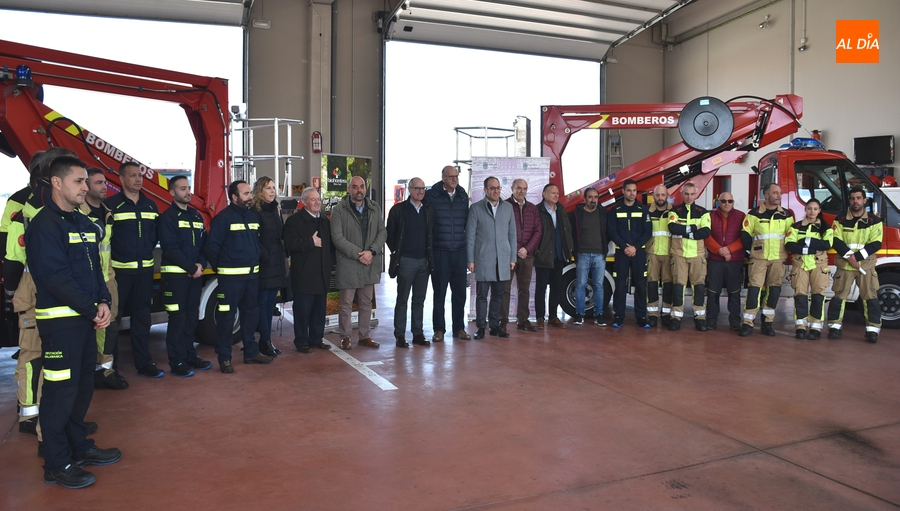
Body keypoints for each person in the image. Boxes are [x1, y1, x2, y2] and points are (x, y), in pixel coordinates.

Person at [26, 156, 121, 489]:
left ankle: (78, 447)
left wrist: (104, 301)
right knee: (60, 394)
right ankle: (57, 463)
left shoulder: (82, 223)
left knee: (81, 389)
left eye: (85, 181)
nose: (85, 187)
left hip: (84, 320)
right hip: (60, 325)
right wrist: (92, 309)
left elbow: (96, 271)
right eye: (78, 181)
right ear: (56, 182)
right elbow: (54, 277)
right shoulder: (45, 226)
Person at [205, 180, 274, 373]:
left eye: (250, 193)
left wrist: (263, 255)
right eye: (245, 194)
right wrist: (223, 268)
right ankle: (224, 358)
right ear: (234, 197)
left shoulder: (252, 217)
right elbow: (211, 248)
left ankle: (251, 352)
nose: (250, 197)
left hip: (251, 278)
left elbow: (256, 243)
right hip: (231, 281)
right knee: (226, 319)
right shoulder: (223, 219)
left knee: (251, 315)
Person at [105, 162, 162, 377]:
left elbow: (155, 234)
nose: (138, 179)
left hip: (144, 272)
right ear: (121, 179)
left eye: (140, 176)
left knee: (142, 319)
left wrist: (146, 248)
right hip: (120, 274)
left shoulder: (151, 205)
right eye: (133, 175)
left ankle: (144, 363)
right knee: (113, 320)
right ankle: (110, 368)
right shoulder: (111, 206)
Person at [157, 175, 213, 376]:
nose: (188, 192)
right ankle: (177, 361)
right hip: (176, 279)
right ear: (172, 193)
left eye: (188, 188)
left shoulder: (196, 216)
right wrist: (191, 268)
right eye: (182, 188)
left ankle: (190, 356)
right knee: (178, 320)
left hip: (194, 277)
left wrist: (201, 265)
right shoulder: (167, 218)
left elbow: (203, 245)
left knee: (191, 318)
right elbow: (170, 248)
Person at [82, 168, 129, 389]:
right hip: (85, 280)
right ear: (86, 186)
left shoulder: (107, 212)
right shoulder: (78, 213)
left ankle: (106, 371)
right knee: (87, 328)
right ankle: (87, 372)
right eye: (98, 183)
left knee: (109, 326)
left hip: (106, 279)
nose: (104, 187)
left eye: (104, 182)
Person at [330, 176, 387, 350]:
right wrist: (360, 254)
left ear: (365, 188)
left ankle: (364, 336)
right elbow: (337, 238)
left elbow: (382, 232)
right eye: (355, 187)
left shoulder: (374, 208)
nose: (359, 190)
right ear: (349, 189)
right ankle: (345, 337)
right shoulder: (339, 210)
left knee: (366, 302)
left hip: (369, 262)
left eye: (361, 186)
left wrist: (372, 251)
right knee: (346, 303)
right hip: (349, 263)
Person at [827, 187, 883, 343]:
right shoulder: (840, 220)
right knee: (839, 297)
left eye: (858, 198)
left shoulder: (874, 221)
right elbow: (835, 240)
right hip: (845, 266)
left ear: (864, 200)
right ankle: (834, 328)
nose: (855, 201)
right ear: (849, 201)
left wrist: (856, 257)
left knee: (870, 297)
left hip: (866, 265)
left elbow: (876, 243)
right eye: (852, 198)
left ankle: (872, 331)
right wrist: (849, 256)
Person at [423, 166, 471, 341]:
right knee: (440, 294)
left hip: (459, 252)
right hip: (440, 252)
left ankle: (459, 328)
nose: (454, 179)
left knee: (460, 294)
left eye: (456, 176)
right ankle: (439, 329)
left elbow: (466, 223)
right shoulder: (432, 196)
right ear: (443, 178)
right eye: (451, 177)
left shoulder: (462, 196)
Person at [739, 183, 793, 337]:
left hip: (778, 258)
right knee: (754, 290)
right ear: (766, 195)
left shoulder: (786, 215)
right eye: (775, 193)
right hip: (759, 259)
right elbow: (745, 233)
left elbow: (791, 236)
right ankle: (747, 323)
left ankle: (767, 323)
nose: (779, 196)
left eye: (780, 193)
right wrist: (750, 252)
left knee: (774, 291)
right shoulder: (754, 214)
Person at [283, 187, 333, 353]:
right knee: (302, 312)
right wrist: (310, 242)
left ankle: (317, 339)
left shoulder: (324, 221)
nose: (317, 202)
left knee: (319, 311)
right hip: (304, 275)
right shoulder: (294, 221)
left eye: (318, 199)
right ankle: (301, 341)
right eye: (313, 199)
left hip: (322, 274)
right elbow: (289, 244)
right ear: (304, 202)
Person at [466, 176, 517, 339]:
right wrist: (470, 260)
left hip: (503, 259)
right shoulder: (476, 208)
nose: (496, 191)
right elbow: (470, 236)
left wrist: (512, 258)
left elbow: (512, 235)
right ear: (485, 190)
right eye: (492, 188)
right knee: (482, 296)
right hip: (483, 259)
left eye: (498, 188)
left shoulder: (508, 208)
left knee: (498, 295)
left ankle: (494, 326)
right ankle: (481, 327)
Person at [386, 177, 434, 348]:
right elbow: (390, 235)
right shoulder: (399, 210)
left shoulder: (428, 210)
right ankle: (400, 334)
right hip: (406, 261)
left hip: (424, 262)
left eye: (423, 189)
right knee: (402, 299)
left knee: (419, 299)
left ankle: (417, 333)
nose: (421, 192)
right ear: (410, 189)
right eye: (417, 188)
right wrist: (399, 253)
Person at [785, 198, 833, 340]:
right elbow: (789, 244)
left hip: (819, 265)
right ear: (805, 209)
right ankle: (800, 327)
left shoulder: (826, 228)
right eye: (809, 208)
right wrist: (811, 249)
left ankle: (815, 328)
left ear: (819, 210)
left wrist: (805, 241)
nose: (812, 211)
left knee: (818, 296)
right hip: (800, 264)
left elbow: (827, 244)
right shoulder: (796, 226)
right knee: (800, 295)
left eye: (815, 209)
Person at [667, 182, 711, 331]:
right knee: (678, 287)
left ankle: (700, 318)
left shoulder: (703, 212)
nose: (689, 197)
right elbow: (673, 228)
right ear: (682, 194)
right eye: (686, 194)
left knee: (699, 287)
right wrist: (693, 228)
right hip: (679, 254)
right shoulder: (674, 210)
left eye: (692, 194)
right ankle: (676, 317)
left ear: (696, 194)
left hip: (697, 255)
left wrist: (685, 232)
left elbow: (706, 232)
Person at [607, 180, 651, 328]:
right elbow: (612, 231)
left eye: (634, 191)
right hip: (622, 252)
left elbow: (648, 232)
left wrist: (635, 247)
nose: (632, 193)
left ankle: (641, 317)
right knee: (620, 285)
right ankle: (618, 317)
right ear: (623, 191)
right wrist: (624, 246)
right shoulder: (615, 210)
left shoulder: (643, 210)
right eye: (629, 190)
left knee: (641, 285)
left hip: (638, 252)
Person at [252, 176, 287, 357]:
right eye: (268, 188)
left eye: (273, 187)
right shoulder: (254, 211)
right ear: (260, 191)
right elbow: (253, 239)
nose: (272, 191)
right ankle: (264, 342)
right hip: (264, 264)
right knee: (262, 304)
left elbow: (279, 236)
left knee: (270, 304)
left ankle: (267, 341)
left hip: (276, 263)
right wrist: (264, 255)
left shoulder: (275, 209)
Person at [502, 179, 542, 332]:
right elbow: (501, 230)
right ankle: (502, 321)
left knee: (524, 289)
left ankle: (523, 320)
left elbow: (538, 231)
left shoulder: (532, 208)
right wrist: (516, 249)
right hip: (508, 255)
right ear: (512, 188)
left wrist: (527, 249)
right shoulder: (504, 206)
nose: (522, 191)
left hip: (527, 256)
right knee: (504, 289)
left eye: (524, 188)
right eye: (519, 188)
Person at [704, 192, 746, 331]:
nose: (727, 203)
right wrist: (720, 251)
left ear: (733, 202)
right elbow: (707, 237)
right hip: (715, 261)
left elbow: (744, 237)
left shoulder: (741, 216)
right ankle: (711, 320)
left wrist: (729, 249)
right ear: (718, 202)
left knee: (734, 293)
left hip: (735, 261)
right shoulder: (710, 217)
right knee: (712, 292)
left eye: (730, 201)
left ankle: (735, 321)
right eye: (723, 201)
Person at [535, 183, 574, 329]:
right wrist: (536, 252)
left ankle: (553, 317)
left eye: (557, 193)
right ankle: (540, 318)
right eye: (553, 193)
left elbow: (567, 231)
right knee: (541, 288)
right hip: (543, 256)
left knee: (557, 287)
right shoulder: (537, 210)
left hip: (559, 255)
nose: (556, 195)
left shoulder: (561, 210)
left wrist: (568, 250)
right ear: (544, 194)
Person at [569, 187, 608, 326]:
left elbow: (608, 231)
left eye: (595, 197)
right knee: (580, 285)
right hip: (582, 254)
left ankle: (599, 315)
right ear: (584, 199)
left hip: (599, 255)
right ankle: (579, 315)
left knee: (599, 285)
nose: (593, 200)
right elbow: (571, 232)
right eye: (590, 197)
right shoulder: (577, 214)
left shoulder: (603, 212)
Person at [646, 185, 673, 328]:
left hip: (669, 253)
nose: (660, 198)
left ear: (667, 195)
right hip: (652, 253)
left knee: (668, 286)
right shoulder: (647, 212)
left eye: (663, 195)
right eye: (658, 195)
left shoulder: (674, 212)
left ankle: (666, 314)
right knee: (652, 284)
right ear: (653, 196)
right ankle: (652, 314)